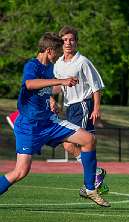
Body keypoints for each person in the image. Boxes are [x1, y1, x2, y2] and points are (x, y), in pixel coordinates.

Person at [0, 32, 110, 207]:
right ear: (49, 50)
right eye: (57, 52)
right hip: (29, 126)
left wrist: (51, 99)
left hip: (49, 122)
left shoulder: (51, 67)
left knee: (89, 139)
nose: (59, 55)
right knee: (21, 172)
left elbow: (46, 88)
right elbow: (29, 84)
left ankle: (90, 187)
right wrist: (60, 82)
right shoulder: (32, 65)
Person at [53, 26, 108, 196]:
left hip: (83, 105)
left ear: (76, 42)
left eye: (71, 39)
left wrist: (97, 107)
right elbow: (55, 86)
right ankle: (96, 173)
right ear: (61, 43)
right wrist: (52, 100)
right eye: (65, 40)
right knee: (67, 144)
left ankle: (91, 182)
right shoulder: (58, 63)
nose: (68, 43)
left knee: (84, 142)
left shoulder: (82, 61)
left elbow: (96, 85)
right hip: (70, 107)